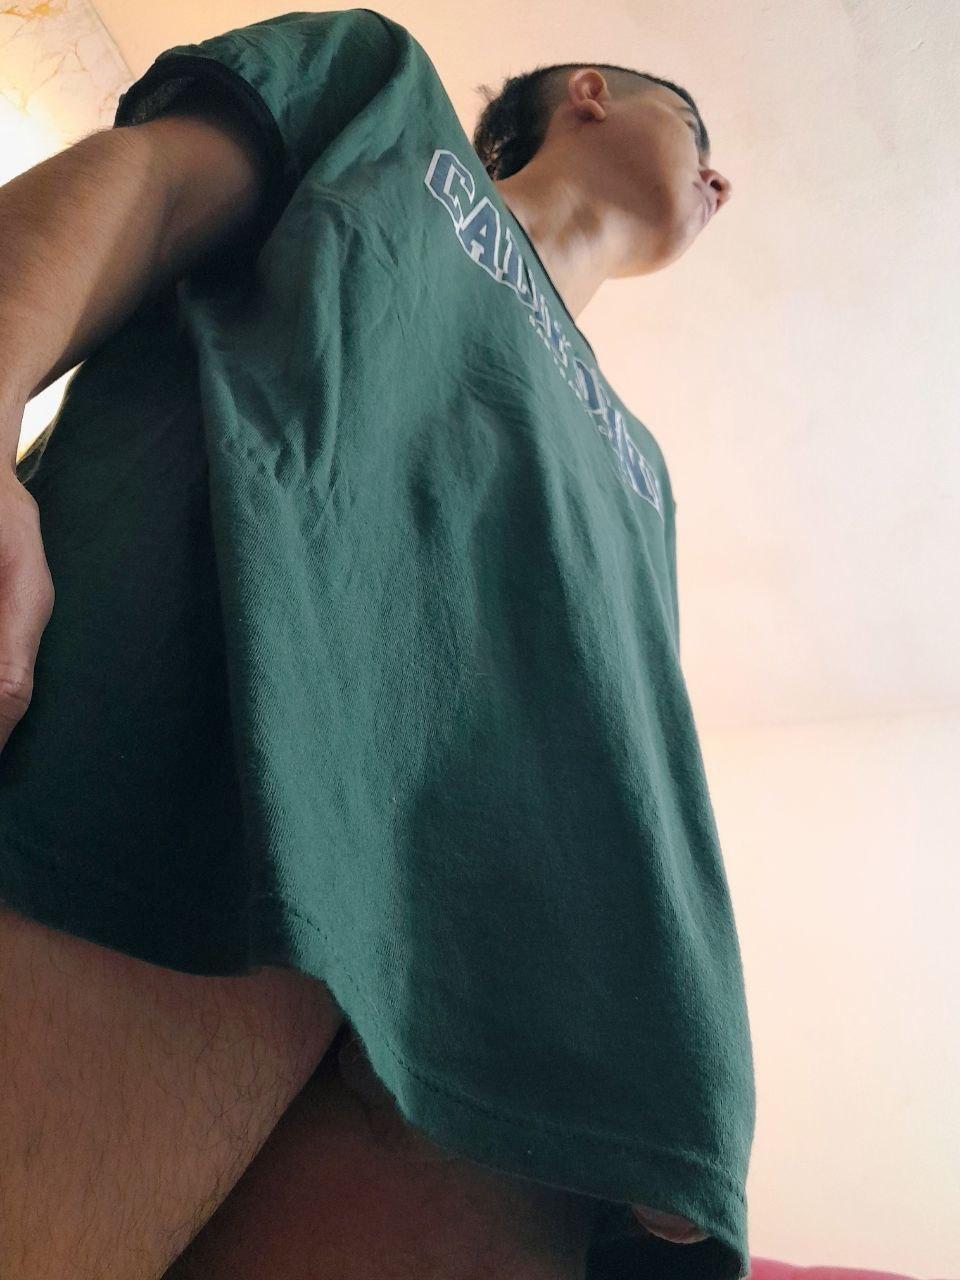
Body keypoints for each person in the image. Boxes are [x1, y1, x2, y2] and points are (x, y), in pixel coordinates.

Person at [0, 8, 753, 1279]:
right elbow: (142, 187)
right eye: (697, 131)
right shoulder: (392, 106)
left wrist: (672, 1047)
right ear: (589, 93)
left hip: (505, 1021)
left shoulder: (646, 473)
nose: (721, 179)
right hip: (196, 748)